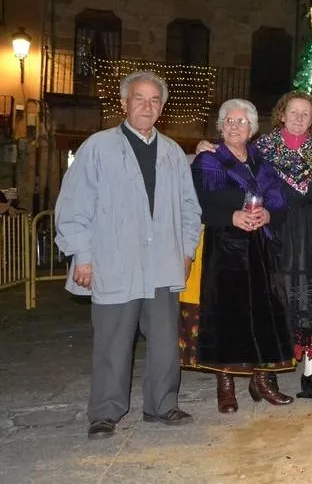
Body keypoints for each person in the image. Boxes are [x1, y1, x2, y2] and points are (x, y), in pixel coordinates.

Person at [55, 71, 202, 440]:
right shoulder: (98, 147)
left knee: (166, 341)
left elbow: (189, 207)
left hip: (162, 264)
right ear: (124, 103)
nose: (147, 106)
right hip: (113, 262)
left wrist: (187, 250)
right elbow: (73, 206)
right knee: (112, 342)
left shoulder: (171, 152)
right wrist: (82, 256)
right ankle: (105, 412)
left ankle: (162, 404)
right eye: (139, 98)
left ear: (162, 108)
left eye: (154, 100)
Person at [190, 99, 295, 413]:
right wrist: (230, 215)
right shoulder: (209, 159)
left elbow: (279, 198)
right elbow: (203, 199)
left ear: (252, 129)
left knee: (265, 311)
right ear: (221, 127)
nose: (235, 126)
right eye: (229, 121)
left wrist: (268, 215)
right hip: (225, 245)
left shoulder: (261, 162)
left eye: (242, 121)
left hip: (260, 247)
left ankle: (262, 380)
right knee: (228, 314)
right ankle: (226, 385)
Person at [255, 91, 312, 399]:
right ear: (282, 114)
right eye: (293, 112)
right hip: (277, 237)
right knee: (276, 303)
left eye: (305, 114)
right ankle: (265, 376)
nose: (298, 118)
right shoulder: (263, 149)